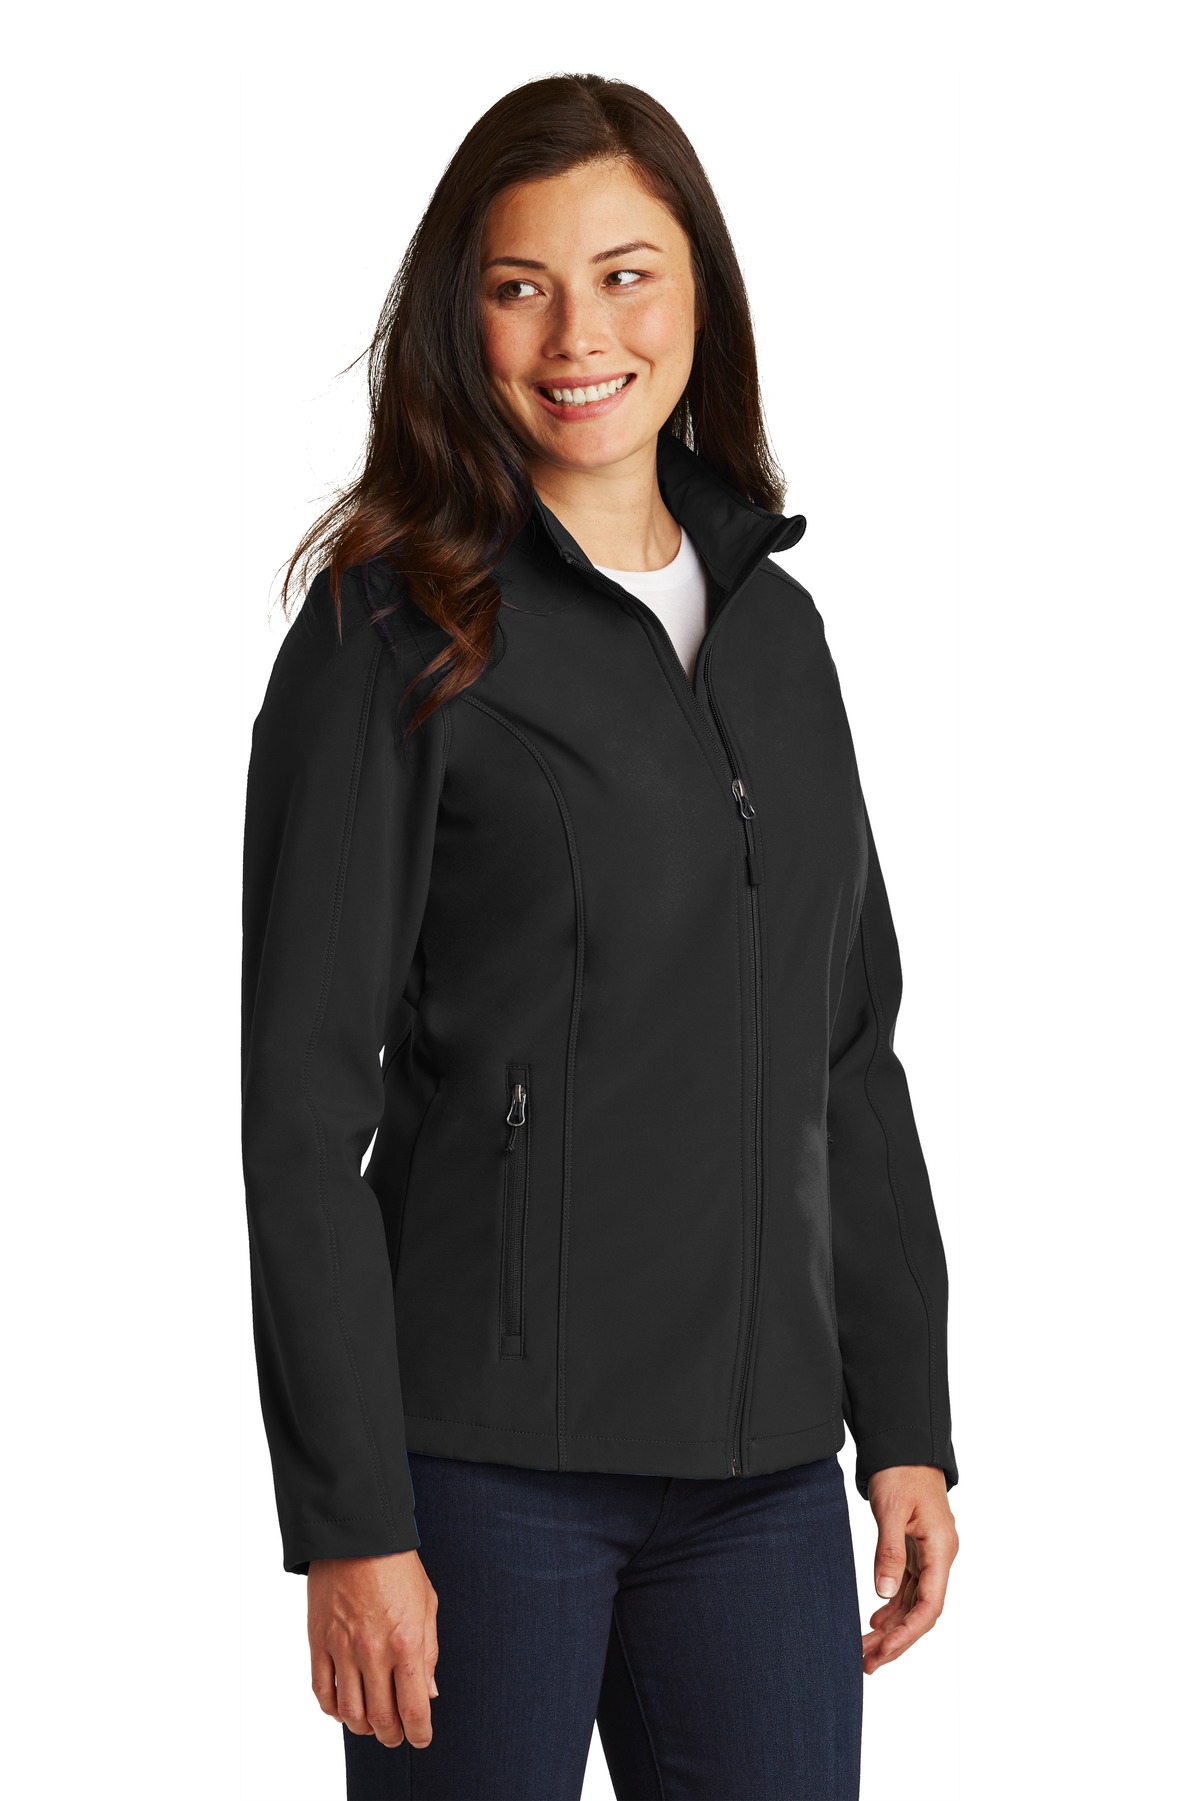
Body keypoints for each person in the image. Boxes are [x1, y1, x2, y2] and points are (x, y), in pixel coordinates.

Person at [240, 72, 960, 1801]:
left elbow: (847, 1052)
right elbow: (301, 1104)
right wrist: (352, 1518)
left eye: (627, 275)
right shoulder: (391, 629)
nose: (580, 335)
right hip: (484, 1474)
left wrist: (908, 1422)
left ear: (701, 293)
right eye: (520, 286)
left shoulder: (779, 636)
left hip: (762, 1477)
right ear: (461, 316)